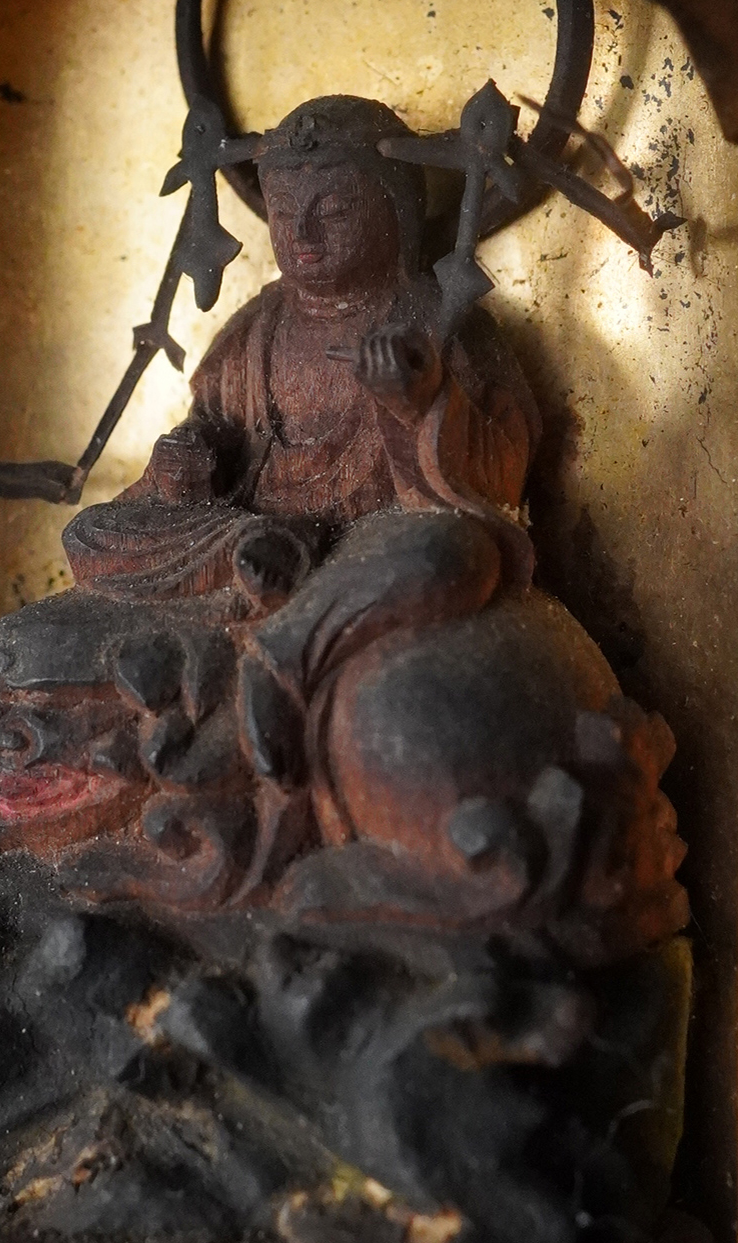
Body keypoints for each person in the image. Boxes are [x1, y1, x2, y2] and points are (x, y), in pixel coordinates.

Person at [61, 94, 542, 779]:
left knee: (445, 553)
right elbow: (206, 432)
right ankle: (264, 581)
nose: (302, 233)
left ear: (394, 210)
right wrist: (179, 469)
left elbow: (504, 471)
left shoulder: (437, 320)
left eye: (335, 210)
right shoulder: (253, 329)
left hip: (363, 549)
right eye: (284, 212)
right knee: (91, 533)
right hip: (246, 538)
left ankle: (273, 654)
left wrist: (423, 404)